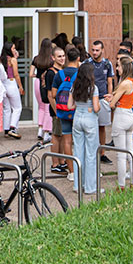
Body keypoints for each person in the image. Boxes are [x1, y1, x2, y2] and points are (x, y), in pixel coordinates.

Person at [105, 57, 133, 189]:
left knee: (121, 155)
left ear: (124, 67)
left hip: (121, 117)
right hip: (130, 116)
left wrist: (111, 101)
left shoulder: (124, 83)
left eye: (118, 66)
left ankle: (121, 185)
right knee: (130, 151)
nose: (117, 69)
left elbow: (113, 104)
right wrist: (113, 97)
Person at [69, 63, 101, 195]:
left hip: (77, 118)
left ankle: (78, 185)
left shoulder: (74, 86)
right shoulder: (93, 88)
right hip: (90, 119)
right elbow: (96, 108)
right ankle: (90, 187)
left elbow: (70, 105)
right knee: (91, 154)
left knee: (78, 152)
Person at [81, 41, 116, 161]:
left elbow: (110, 81)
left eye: (97, 50)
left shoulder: (107, 64)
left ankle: (102, 153)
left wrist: (109, 96)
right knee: (90, 127)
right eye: (93, 50)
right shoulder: (87, 63)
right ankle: (90, 152)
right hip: (89, 100)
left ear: (102, 50)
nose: (95, 53)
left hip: (102, 98)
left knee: (102, 127)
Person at [51, 47, 80, 179]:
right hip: (77, 111)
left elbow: (53, 94)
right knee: (79, 141)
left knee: (66, 141)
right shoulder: (80, 74)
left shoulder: (59, 74)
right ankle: (81, 169)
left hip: (63, 112)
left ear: (67, 58)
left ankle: (72, 172)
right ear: (78, 59)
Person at [31, 39, 56, 143]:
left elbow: (30, 73)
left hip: (37, 82)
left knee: (41, 107)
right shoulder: (51, 60)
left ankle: (40, 130)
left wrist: (38, 75)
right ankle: (47, 132)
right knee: (47, 107)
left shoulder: (36, 58)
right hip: (46, 83)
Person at [0, 42, 23, 140]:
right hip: (11, 83)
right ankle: (12, 128)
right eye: (13, 48)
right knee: (17, 107)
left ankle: (6, 129)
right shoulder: (12, 60)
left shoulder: (1, 60)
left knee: (7, 108)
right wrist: (20, 86)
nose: (15, 50)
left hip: (3, 84)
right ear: (9, 49)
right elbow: (16, 74)